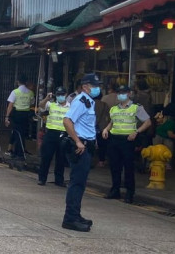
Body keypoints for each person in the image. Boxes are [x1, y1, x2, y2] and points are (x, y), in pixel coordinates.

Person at [62, 73, 101, 232]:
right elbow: (67, 120)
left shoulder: (89, 101)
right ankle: (70, 218)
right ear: (85, 86)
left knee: (80, 183)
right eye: (94, 86)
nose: (98, 88)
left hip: (86, 145)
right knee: (76, 184)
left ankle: (75, 214)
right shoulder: (81, 101)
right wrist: (78, 141)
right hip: (80, 147)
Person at [101, 85, 151, 204]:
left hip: (127, 140)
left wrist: (136, 132)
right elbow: (113, 122)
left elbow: (148, 122)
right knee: (114, 167)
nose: (120, 95)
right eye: (119, 93)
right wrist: (106, 129)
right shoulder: (114, 109)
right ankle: (115, 190)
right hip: (114, 139)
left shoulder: (136, 108)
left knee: (128, 167)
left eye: (123, 93)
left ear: (129, 94)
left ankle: (129, 193)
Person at [38, 86, 69, 187]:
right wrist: (47, 98)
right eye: (58, 95)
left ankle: (59, 180)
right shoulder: (51, 104)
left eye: (62, 95)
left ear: (66, 95)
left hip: (63, 134)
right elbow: (40, 105)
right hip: (51, 133)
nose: (60, 97)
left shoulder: (70, 107)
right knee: (46, 157)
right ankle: (42, 179)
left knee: (61, 159)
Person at [5, 74, 35, 160]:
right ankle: (17, 151)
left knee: (18, 133)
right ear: (26, 82)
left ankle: (19, 153)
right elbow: (32, 103)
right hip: (26, 114)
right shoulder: (30, 92)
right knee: (21, 133)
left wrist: (7, 117)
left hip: (17, 114)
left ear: (18, 81)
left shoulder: (15, 92)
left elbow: (10, 105)